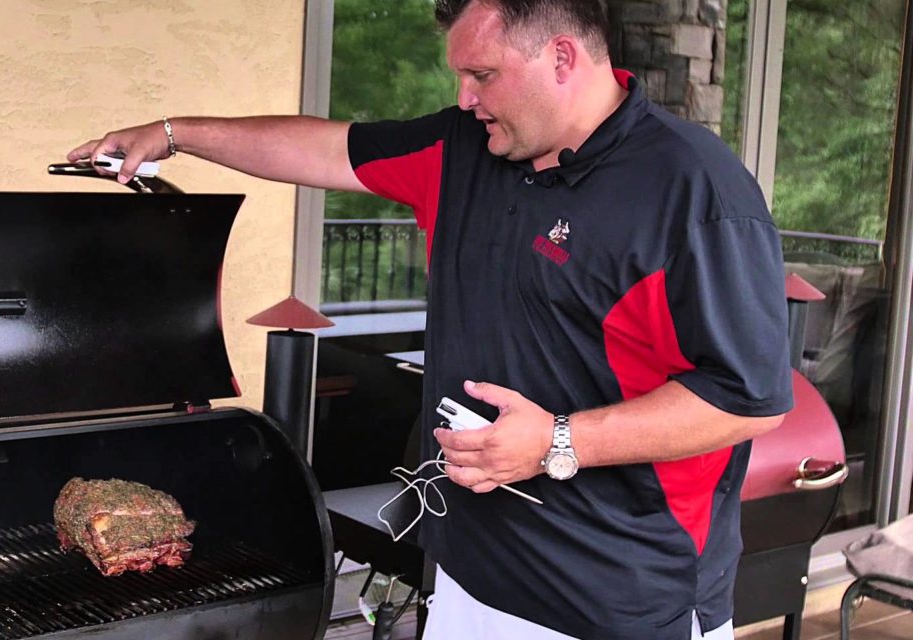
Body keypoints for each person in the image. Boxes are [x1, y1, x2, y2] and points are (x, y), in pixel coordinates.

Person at [67, 1, 792, 638]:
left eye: (483, 75)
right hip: (473, 575)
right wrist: (172, 133)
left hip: (621, 604)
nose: (465, 96)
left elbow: (748, 399)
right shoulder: (464, 150)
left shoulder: (693, 191)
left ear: (562, 57)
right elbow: (323, 147)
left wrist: (559, 441)